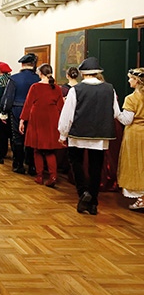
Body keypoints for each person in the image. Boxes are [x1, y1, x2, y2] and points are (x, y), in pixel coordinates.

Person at [58, 57, 131, 215]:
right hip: (100, 135)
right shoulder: (109, 89)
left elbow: (68, 115)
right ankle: (93, 203)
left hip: (78, 133)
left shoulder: (75, 90)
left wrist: (63, 134)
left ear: (83, 74)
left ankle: (83, 193)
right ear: (98, 72)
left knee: (76, 162)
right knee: (96, 167)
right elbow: (115, 113)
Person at [19, 64, 65, 187]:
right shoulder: (56, 88)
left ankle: (39, 176)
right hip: (51, 119)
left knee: (37, 149)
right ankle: (53, 176)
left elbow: (28, 104)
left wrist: (22, 120)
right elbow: (61, 107)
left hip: (37, 119)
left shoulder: (35, 87)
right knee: (50, 151)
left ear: (40, 73)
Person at [0, 53, 40, 175]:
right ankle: (32, 166)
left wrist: (3, 111)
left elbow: (8, 97)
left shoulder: (15, 78)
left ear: (22, 64)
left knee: (18, 138)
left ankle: (18, 165)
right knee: (32, 138)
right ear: (33, 64)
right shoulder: (38, 79)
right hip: (34, 111)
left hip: (17, 110)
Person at [116, 68, 144, 209]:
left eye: (130, 78)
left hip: (134, 134)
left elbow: (127, 120)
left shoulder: (131, 98)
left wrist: (116, 112)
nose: (128, 80)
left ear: (137, 80)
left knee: (135, 164)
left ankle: (141, 197)